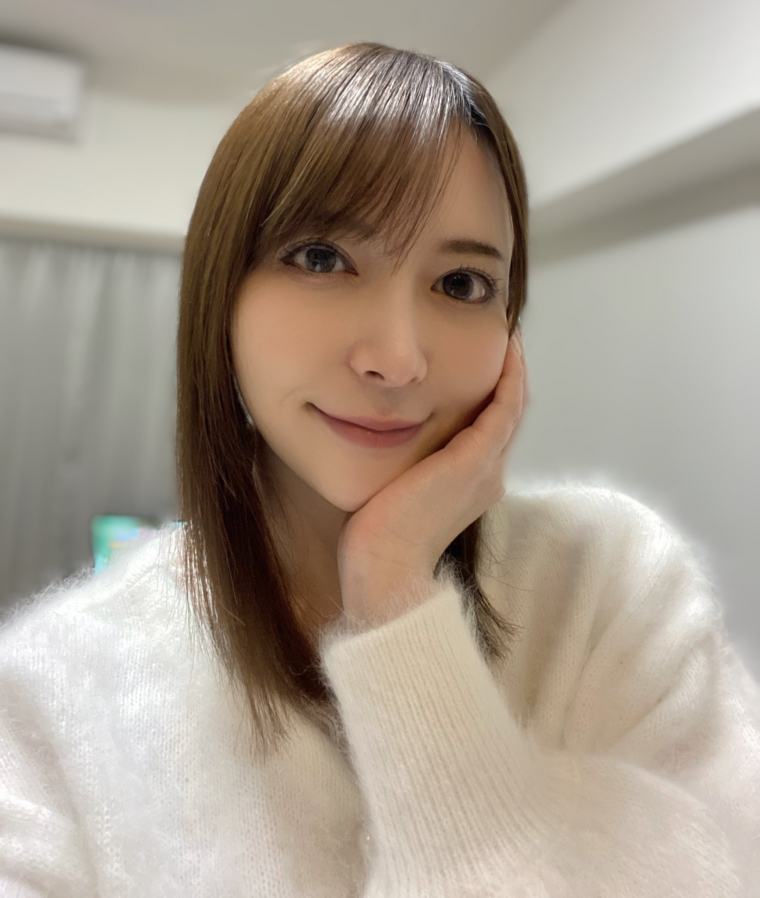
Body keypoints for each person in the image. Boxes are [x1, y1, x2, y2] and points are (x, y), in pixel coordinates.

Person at [0, 42, 758, 898]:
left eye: (462, 283)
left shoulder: (609, 587)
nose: (398, 359)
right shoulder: (50, 696)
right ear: (221, 295)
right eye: (323, 259)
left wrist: (395, 593)